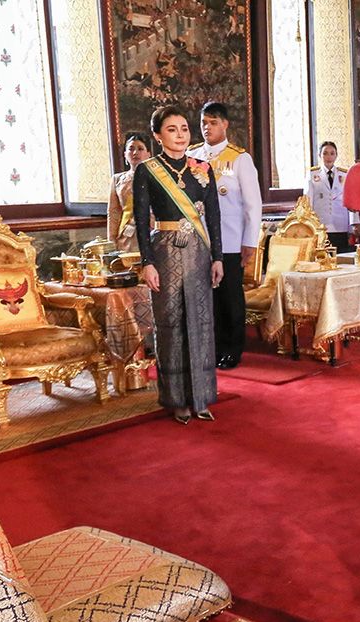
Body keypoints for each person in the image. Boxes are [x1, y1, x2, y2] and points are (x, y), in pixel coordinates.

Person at [133, 107, 222, 424]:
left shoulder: (203, 168)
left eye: (184, 128)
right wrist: (147, 262)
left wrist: (218, 257)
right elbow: (141, 221)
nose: (181, 134)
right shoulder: (148, 171)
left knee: (200, 321)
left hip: (199, 251)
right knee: (171, 323)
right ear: (158, 135)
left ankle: (201, 396)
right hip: (166, 252)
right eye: (172, 129)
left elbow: (213, 216)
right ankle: (176, 399)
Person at [187, 101, 261, 370]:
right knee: (206, 298)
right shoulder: (192, 156)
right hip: (199, 240)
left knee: (229, 296)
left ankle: (232, 348)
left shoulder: (239, 158)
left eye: (213, 122)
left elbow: (253, 204)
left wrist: (250, 242)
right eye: (204, 123)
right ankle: (211, 346)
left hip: (230, 240)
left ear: (225, 124)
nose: (207, 128)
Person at [304, 141, 351, 251]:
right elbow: (308, 202)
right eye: (325, 153)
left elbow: (350, 200)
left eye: (332, 153)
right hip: (321, 224)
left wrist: (353, 223)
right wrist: (309, 224)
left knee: (341, 257)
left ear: (336, 155)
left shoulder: (344, 174)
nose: (328, 157)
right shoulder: (313, 174)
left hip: (340, 223)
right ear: (320, 155)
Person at [108, 133, 151, 252]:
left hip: (152, 232)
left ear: (148, 154)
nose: (135, 153)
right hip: (127, 235)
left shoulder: (158, 177)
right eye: (131, 149)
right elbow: (114, 212)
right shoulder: (117, 179)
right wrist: (111, 240)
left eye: (140, 149)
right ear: (125, 154)